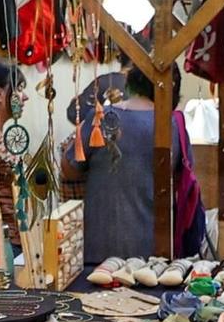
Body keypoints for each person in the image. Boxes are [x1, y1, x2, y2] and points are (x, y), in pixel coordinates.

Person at [61, 66, 205, 264]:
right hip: (153, 256)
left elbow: (69, 170)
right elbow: (181, 179)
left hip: (100, 251)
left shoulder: (101, 118)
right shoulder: (172, 125)